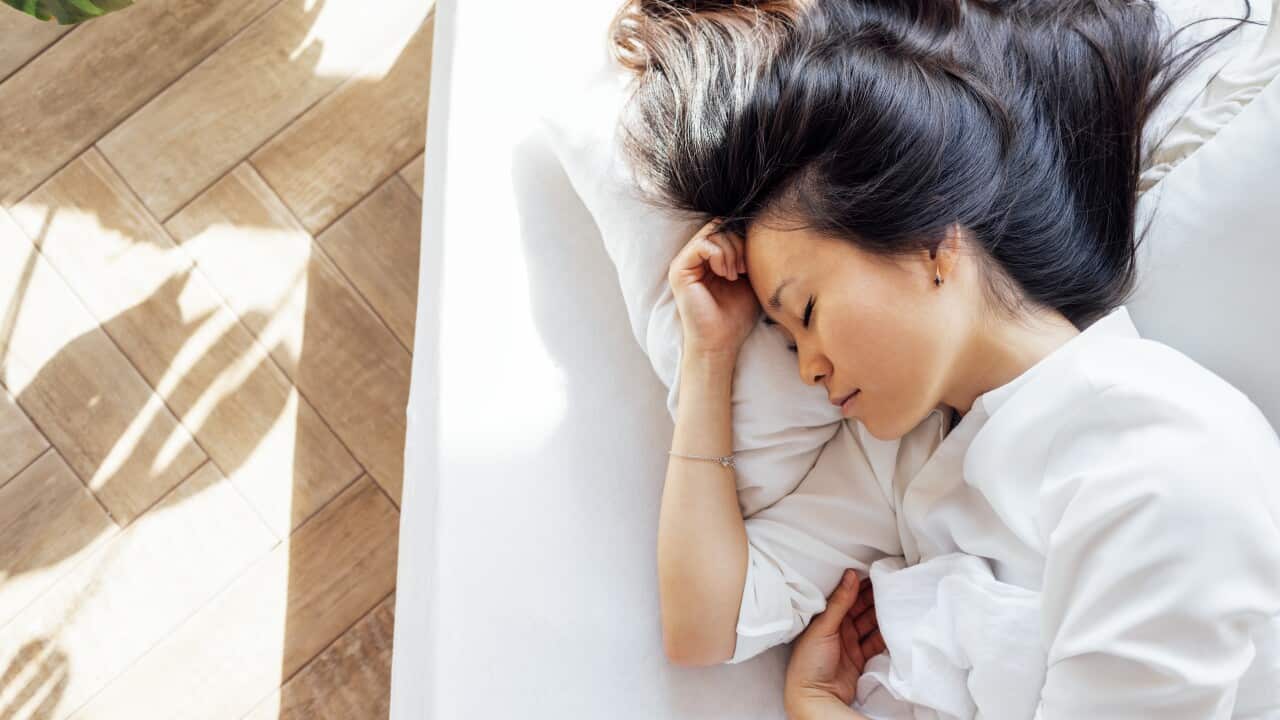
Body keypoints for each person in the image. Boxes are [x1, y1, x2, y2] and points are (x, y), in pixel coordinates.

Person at [611, 0, 1280, 717]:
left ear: (931, 241)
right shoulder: (906, 458)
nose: (808, 368)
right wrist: (710, 355)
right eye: (788, 341)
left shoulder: (1160, 464)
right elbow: (707, 624)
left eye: (806, 313)